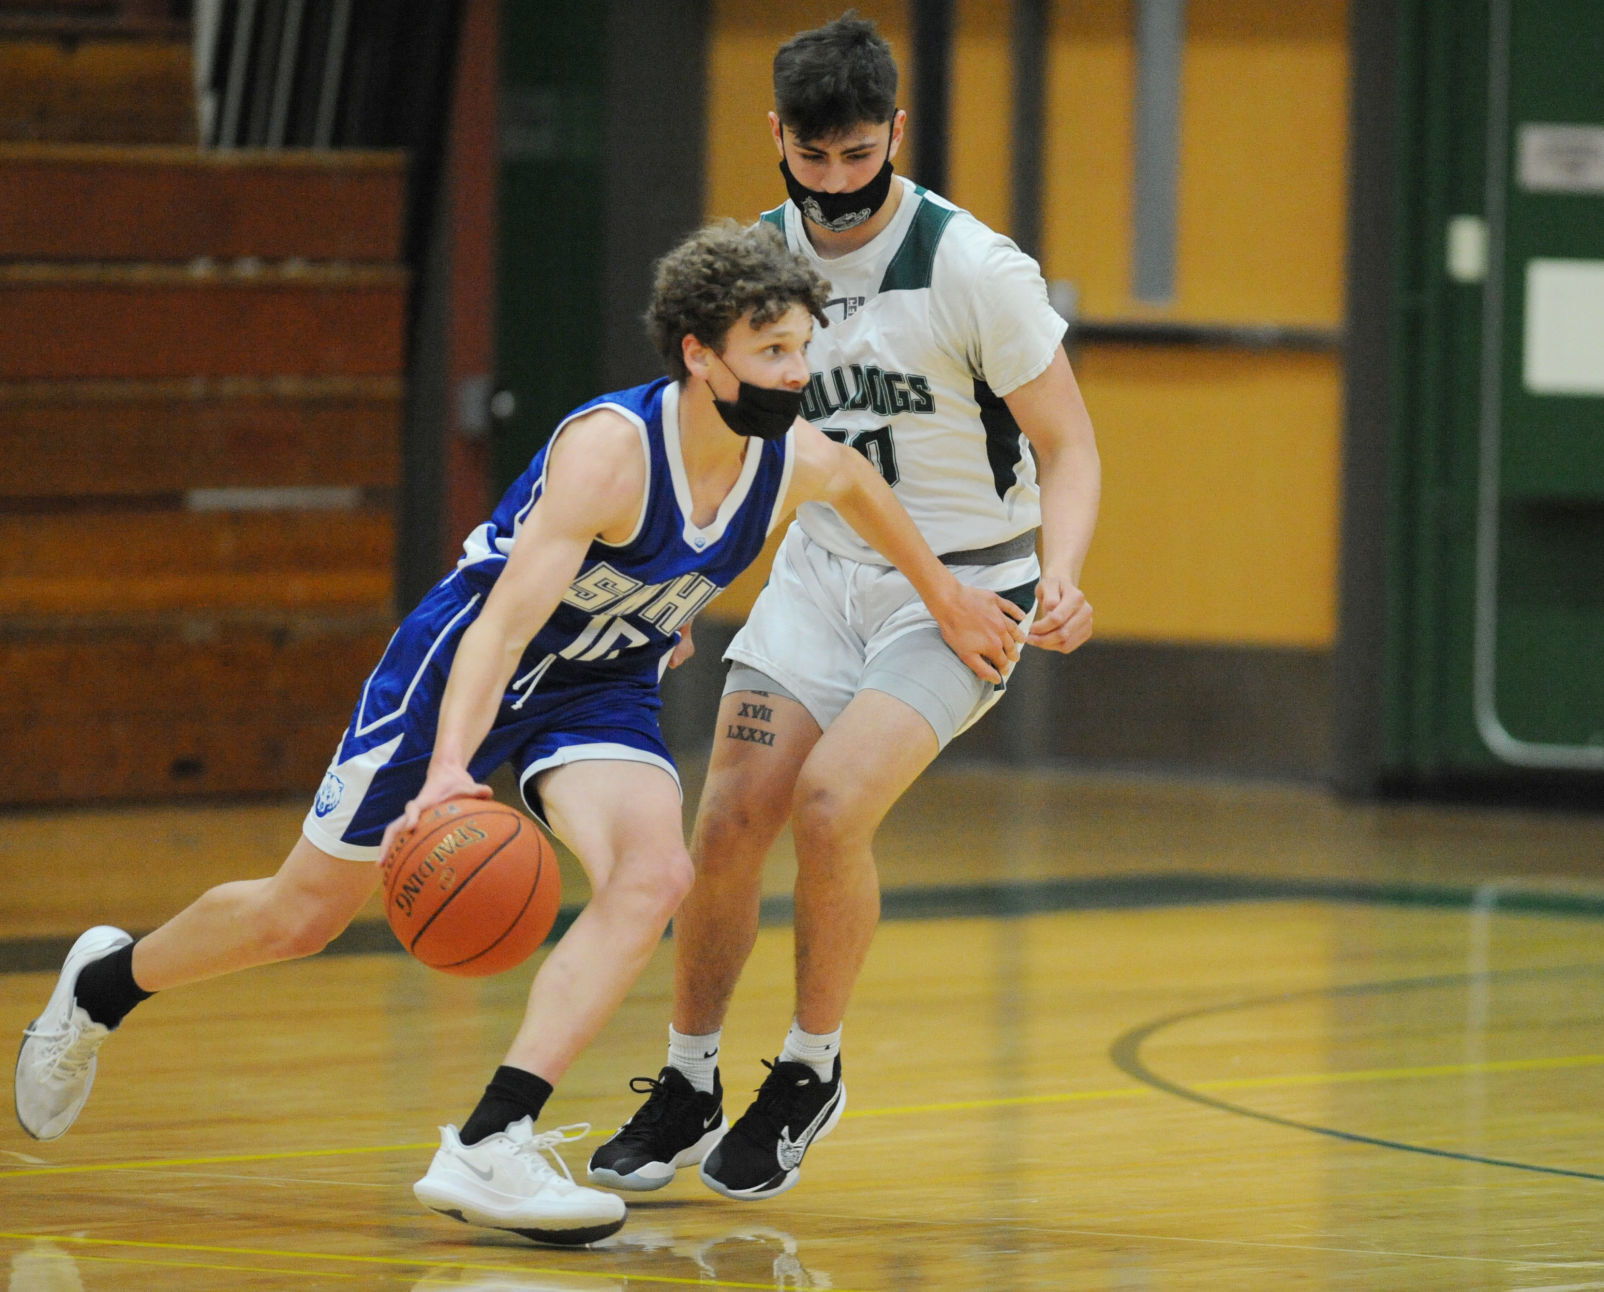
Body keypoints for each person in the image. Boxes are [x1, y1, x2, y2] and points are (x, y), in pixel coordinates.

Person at [13, 219, 1024, 1246]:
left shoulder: (787, 457)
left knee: (652, 874)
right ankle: (103, 981)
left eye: (803, 347)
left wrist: (943, 597)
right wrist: (451, 770)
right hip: (462, 668)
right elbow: (499, 629)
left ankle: (492, 1138)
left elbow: (858, 487)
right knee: (299, 916)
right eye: (770, 350)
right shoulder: (608, 453)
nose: (794, 371)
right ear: (697, 353)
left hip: (598, 686)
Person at [588, 13, 1100, 1202]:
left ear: (893, 135)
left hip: (965, 584)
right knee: (724, 821)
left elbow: (1069, 446)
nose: (831, 184)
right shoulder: (758, 266)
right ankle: (685, 1078)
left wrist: (1062, 568)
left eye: (855, 157)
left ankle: (809, 1068)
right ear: (774, 135)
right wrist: (673, 586)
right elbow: (723, 452)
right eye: (809, 159)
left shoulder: (973, 267)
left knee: (827, 806)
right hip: (821, 570)